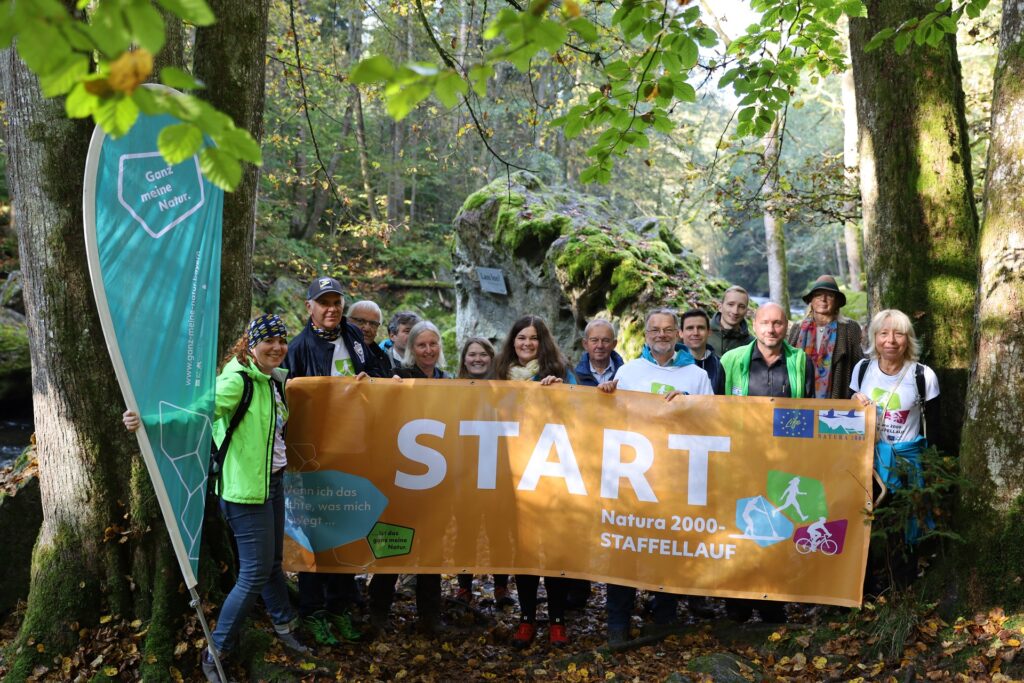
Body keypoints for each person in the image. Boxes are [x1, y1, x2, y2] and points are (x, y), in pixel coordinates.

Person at [125, 314, 309, 681]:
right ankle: (217, 649)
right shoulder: (237, 382)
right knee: (254, 573)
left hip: (272, 483)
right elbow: (198, 413)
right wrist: (148, 420)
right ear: (251, 344)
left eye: (281, 340)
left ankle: (285, 625)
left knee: (273, 563)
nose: (276, 347)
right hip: (244, 492)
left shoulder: (272, 380)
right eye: (268, 341)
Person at [597, 308, 713, 645]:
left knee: (671, 546)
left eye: (667, 330)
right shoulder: (629, 372)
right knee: (624, 548)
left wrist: (689, 404)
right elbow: (612, 420)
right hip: (633, 478)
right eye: (654, 330)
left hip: (677, 478)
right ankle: (617, 624)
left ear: (678, 335)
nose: (661, 335)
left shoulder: (695, 375)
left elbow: (712, 419)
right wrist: (605, 398)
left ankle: (665, 618)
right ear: (645, 335)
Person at [284, 277, 370, 645]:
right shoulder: (299, 347)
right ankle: (313, 611)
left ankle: (340, 607)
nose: (331, 308)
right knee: (314, 535)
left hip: (353, 452)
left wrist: (376, 380)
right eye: (324, 302)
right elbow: (288, 400)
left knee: (345, 533)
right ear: (310, 307)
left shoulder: (354, 338)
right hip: (314, 458)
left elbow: (380, 377)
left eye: (336, 301)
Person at [720, 302, 814, 623]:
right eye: (765, 323)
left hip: (783, 462)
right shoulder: (732, 360)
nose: (771, 329)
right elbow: (713, 410)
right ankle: (738, 604)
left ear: (786, 326)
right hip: (740, 459)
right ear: (755, 324)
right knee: (739, 530)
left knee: (777, 531)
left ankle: (773, 602)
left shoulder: (799, 361)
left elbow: (809, 410)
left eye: (777, 323)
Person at [494, 315, 576, 648]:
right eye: (521, 338)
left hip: (551, 471)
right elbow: (482, 410)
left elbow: (581, 413)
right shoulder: (499, 373)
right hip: (512, 472)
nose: (527, 344)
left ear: (543, 342)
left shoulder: (559, 371)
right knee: (524, 551)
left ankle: (557, 620)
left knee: (554, 549)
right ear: (512, 341)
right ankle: (526, 619)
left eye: (533, 338)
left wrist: (561, 395)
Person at [368, 321, 447, 635]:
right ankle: (377, 614)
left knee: (431, 551)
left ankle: (430, 617)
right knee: (393, 546)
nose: (428, 350)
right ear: (412, 349)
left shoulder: (448, 380)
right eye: (421, 345)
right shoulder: (400, 378)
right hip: (402, 479)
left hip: (437, 481)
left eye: (433, 344)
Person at [850, 309, 939, 584]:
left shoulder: (923, 375)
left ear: (908, 338)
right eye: (884, 333)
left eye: (898, 333)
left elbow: (933, 426)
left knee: (901, 528)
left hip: (904, 465)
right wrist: (853, 400)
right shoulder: (862, 369)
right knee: (864, 525)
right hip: (866, 463)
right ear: (874, 338)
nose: (891, 340)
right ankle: (864, 590)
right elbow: (848, 416)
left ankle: (902, 592)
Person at [453, 337, 513, 606]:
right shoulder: (450, 389)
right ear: (464, 359)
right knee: (465, 531)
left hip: (498, 472)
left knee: (499, 531)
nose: (477, 359)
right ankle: (464, 587)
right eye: (471, 354)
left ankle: (501, 587)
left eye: (483, 355)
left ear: (492, 358)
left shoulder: (502, 388)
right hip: (465, 473)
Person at [787, 275, 863, 399]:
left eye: (830, 295)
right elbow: (787, 363)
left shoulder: (849, 328)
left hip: (837, 402)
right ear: (811, 300)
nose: (823, 299)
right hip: (800, 402)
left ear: (837, 302)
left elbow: (858, 365)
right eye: (818, 295)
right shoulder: (798, 328)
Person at [679, 309, 725, 395]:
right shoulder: (671, 361)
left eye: (701, 328)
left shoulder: (717, 365)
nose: (695, 333)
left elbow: (719, 401)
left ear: (709, 332)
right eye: (690, 328)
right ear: (681, 333)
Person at [573, 319, 624, 387]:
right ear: (585, 344)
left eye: (605, 341)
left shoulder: (625, 375)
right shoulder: (574, 377)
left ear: (614, 344)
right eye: (594, 340)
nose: (600, 346)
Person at [348, 300, 392, 373]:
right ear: (347, 321)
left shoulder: (382, 358)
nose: (367, 328)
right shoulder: (337, 350)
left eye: (373, 324)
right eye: (360, 321)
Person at [709, 286, 754, 355]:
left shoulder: (751, 344)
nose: (735, 311)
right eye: (731, 304)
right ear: (720, 307)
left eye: (741, 306)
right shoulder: (700, 332)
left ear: (746, 311)